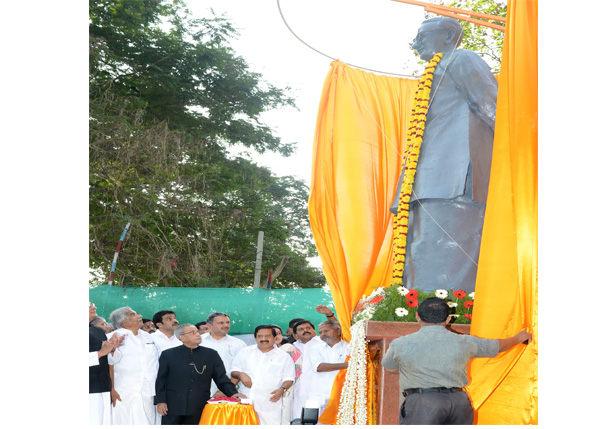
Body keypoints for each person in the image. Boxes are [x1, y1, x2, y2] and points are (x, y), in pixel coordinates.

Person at [389, 17, 498, 293]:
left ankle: (445, 317)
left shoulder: (461, 59)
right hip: (424, 180)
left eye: (422, 37)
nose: (415, 45)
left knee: (444, 254)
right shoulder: (434, 70)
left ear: (449, 35)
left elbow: (492, 108)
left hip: (454, 179)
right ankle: (416, 313)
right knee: (419, 253)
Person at [381, 297, 532, 425]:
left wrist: (408, 369)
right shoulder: (465, 342)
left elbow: (388, 368)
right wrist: (518, 338)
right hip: (459, 403)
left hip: (423, 404)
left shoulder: (400, 344)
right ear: (447, 319)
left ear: (417, 317)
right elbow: (497, 346)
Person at [154, 324, 245, 425]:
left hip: (198, 405)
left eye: (197, 332)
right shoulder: (168, 354)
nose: (198, 335)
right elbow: (161, 379)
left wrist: (233, 393)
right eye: (192, 333)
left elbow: (221, 378)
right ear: (181, 337)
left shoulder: (211, 354)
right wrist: (160, 401)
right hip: (173, 405)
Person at [231, 325, 295, 425]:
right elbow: (234, 371)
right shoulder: (245, 352)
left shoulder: (284, 357)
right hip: (245, 401)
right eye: (260, 336)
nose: (263, 339)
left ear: (275, 338)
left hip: (270, 403)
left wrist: (282, 389)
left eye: (267, 336)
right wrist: (240, 374)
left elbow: (289, 378)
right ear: (255, 338)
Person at [108, 306, 161, 425]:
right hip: (124, 391)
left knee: (150, 421)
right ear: (123, 322)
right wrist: (111, 389)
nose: (140, 316)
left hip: (150, 390)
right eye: (133, 314)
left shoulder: (148, 337)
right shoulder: (113, 337)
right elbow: (108, 365)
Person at [89, 303, 124, 425]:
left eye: (93, 304)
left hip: (103, 387)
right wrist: (100, 353)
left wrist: (112, 349)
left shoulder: (97, 331)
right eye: (89, 305)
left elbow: (110, 361)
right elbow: (100, 354)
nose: (94, 307)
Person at [309, 320, 350, 417]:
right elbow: (319, 367)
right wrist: (346, 365)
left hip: (342, 394)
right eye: (321, 332)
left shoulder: (349, 347)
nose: (323, 334)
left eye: (326, 331)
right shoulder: (316, 348)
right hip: (319, 395)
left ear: (338, 331)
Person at [200, 312, 246, 397]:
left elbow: (241, 368)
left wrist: (226, 390)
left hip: (227, 393)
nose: (226, 325)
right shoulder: (199, 341)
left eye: (227, 322)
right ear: (209, 326)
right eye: (221, 323)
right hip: (199, 389)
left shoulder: (239, 344)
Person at [291, 319, 324, 421]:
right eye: (301, 329)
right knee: (298, 418)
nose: (305, 330)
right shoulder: (292, 347)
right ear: (295, 335)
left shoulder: (323, 343)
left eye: (308, 328)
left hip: (319, 389)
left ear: (314, 331)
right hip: (298, 389)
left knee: (320, 419)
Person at [272, 324, 303, 424]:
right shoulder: (259, 352)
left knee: (283, 418)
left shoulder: (289, 348)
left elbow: (298, 369)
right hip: (266, 391)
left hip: (285, 391)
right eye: (273, 333)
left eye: (279, 333)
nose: (277, 336)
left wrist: (285, 387)